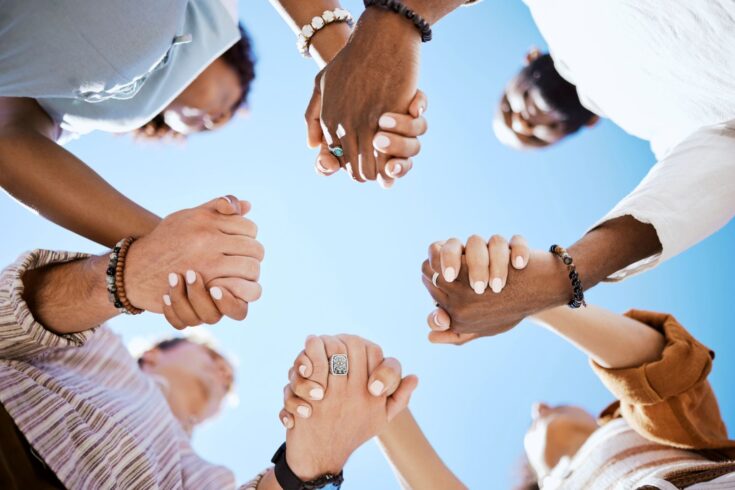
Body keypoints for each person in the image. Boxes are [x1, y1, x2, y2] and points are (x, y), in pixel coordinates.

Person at [303, 0, 735, 331]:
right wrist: (562, 277)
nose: (525, 119)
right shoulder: (658, 125)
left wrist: (397, 18)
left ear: (529, 58)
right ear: (586, 124)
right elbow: (713, 176)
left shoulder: (555, 14)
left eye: (509, 108)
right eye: (533, 133)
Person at [0, 197, 416, 489]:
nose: (224, 371)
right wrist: (125, 277)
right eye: (211, 354)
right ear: (152, 354)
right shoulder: (93, 338)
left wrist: (313, 467)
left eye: (228, 380)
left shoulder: (208, 478)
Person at [288, 236, 735, 488]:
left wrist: (534, 301)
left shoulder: (641, 427)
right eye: (537, 418)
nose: (538, 406)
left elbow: (666, 370)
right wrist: (374, 406)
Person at [0, 0, 427, 259]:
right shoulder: (217, 13)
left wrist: (172, 243)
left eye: (209, 127)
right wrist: (341, 57)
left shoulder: (83, 117)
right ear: (231, 56)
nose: (214, 120)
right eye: (227, 105)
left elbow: (9, 142)